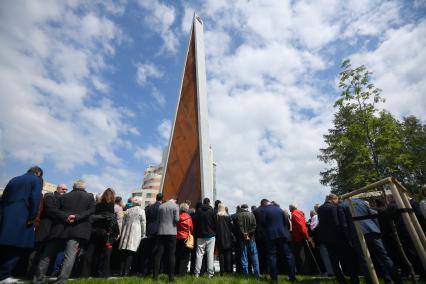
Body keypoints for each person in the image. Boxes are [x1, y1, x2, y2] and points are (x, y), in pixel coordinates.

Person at [34, 179, 95, 284]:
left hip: (59, 228)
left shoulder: (63, 196)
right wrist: (76, 216)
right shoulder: (89, 197)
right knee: (69, 256)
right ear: (84, 187)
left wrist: (66, 216)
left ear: (73, 186)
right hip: (77, 229)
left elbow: (55, 211)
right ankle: (61, 280)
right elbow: (91, 211)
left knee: (47, 254)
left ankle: (38, 279)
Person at [343, 198, 402, 284]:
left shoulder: (343, 205)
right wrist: (377, 229)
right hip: (372, 231)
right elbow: (373, 215)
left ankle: (371, 281)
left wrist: (349, 238)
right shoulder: (362, 202)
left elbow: (344, 223)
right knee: (384, 256)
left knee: (364, 260)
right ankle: (396, 280)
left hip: (357, 234)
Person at [0, 166, 43, 282]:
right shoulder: (36, 180)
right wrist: (32, 217)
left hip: (6, 214)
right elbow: (35, 198)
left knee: (4, 244)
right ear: (38, 173)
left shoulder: (14, 179)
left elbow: (3, 197)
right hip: (23, 215)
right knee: (18, 246)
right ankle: (4, 275)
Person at [27, 184, 68, 278]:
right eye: (63, 189)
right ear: (57, 189)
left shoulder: (63, 200)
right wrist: (64, 215)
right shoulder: (49, 196)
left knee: (48, 253)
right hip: (45, 227)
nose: (65, 191)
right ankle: (30, 273)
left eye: (66, 189)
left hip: (53, 229)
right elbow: (51, 210)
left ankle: (43, 273)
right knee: (37, 250)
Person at [317, 194, 358, 284]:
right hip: (338, 238)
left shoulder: (320, 209)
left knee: (334, 262)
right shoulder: (334, 207)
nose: (338, 202)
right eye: (337, 200)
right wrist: (346, 236)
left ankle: (341, 280)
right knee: (347, 259)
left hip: (327, 239)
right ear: (332, 199)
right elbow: (338, 222)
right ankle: (354, 280)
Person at [81, 188, 119, 277]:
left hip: (95, 231)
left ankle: (85, 274)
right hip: (107, 233)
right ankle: (104, 274)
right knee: (106, 255)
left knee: (90, 253)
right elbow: (114, 221)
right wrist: (116, 232)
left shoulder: (97, 206)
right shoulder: (114, 207)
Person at [259, 199, 296, 283]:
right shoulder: (279, 209)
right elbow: (286, 221)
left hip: (270, 235)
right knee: (288, 256)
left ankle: (274, 279)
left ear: (263, 204)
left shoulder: (263, 210)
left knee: (272, 257)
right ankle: (292, 276)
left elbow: (262, 224)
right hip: (282, 234)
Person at [153, 197, 179, 282]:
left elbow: (158, 220)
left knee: (158, 254)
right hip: (172, 232)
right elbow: (177, 219)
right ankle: (171, 277)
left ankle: (155, 276)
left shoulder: (161, 206)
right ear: (174, 201)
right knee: (171, 254)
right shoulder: (175, 206)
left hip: (161, 232)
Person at [118, 197, 146, 276]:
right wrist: (143, 234)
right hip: (135, 231)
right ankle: (126, 272)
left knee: (124, 251)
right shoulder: (141, 211)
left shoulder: (127, 210)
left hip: (126, 230)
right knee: (131, 251)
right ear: (140, 203)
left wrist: (122, 232)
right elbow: (143, 223)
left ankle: (121, 271)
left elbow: (123, 222)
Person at [194, 198, 216, 278]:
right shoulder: (212, 210)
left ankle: (197, 273)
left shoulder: (199, 211)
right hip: (211, 235)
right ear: (209, 202)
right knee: (210, 255)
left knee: (199, 255)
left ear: (203, 202)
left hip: (200, 236)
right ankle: (210, 274)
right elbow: (215, 222)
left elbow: (195, 222)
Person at [141, 193, 162, 276]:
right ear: (162, 199)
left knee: (148, 251)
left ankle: (145, 270)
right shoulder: (161, 207)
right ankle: (152, 269)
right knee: (155, 251)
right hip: (157, 231)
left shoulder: (150, 207)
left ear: (156, 198)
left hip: (149, 229)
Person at [236, 204, 259, 277]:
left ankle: (245, 274)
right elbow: (254, 226)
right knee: (254, 256)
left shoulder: (239, 215)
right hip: (251, 238)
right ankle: (257, 274)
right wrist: (248, 234)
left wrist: (245, 234)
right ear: (247, 208)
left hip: (243, 239)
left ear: (242, 208)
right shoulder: (252, 215)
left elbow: (240, 227)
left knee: (244, 256)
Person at [289, 204, 309, 274]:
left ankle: (304, 271)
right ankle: (304, 270)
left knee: (301, 255)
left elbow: (301, 226)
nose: (289, 209)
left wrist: (306, 236)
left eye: (289, 207)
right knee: (301, 254)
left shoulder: (295, 214)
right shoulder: (299, 213)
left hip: (299, 237)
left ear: (292, 208)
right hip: (300, 236)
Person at [216, 203, 233, 275]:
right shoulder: (228, 216)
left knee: (221, 254)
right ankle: (229, 271)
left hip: (219, 237)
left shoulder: (216, 216)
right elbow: (231, 227)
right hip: (228, 237)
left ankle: (222, 271)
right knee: (228, 254)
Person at [175, 202, 193, 275]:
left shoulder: (178, 217)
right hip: (186, 238)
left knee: (177, 255)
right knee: (185, 256)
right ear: (187, 209)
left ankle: (176, 271)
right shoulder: (189, 218)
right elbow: (191, 229)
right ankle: (183, 272)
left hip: (178, 237)